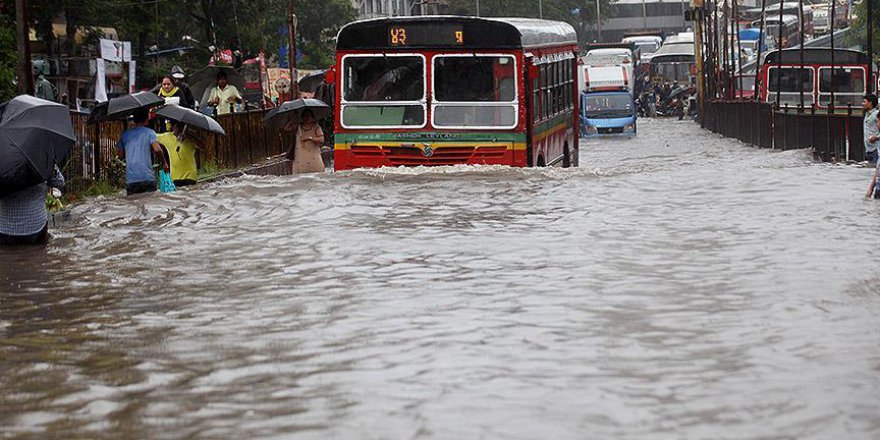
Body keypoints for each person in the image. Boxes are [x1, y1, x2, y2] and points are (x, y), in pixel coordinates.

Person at [0, 166, 64, 245]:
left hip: (5, 228)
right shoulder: (42, 160)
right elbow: (59, 182)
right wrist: (52, 169)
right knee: (38, 253)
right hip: (36, 226)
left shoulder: (3, 162)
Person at [116, 108, 168, 195]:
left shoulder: (125, 135)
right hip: (147, 178)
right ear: (146, 119)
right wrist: (164, 163)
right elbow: (157, 149)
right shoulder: (150, 133)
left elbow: (120, 155)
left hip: (131, 179)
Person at [157, 121, 201, 186]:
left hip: (190, 176)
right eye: (177, 126)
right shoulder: (167, 136)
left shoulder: (190, 138)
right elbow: (152, 136)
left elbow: (203, 146)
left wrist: (190, 137)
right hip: (175, 178)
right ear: (172, 127)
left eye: (181, 126)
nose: (179, 128)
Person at [284, 109, 325, 174]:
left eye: (309, 116)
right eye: (305, 116)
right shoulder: (298, 127)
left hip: (314, 159)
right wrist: (293, 118)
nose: (307, 118)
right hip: (300, 159)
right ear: (302, 117)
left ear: (312, 117)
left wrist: (309, 138)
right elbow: (286, 128)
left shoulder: (316, 127)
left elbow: (321, 140)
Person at [862, 93, 879, 164]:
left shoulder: (877, 114)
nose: (862, 103)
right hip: (868, 149)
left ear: (870, 103)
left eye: (864, 101)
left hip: (876, 148)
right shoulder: (867, 115)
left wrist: (876, 137)